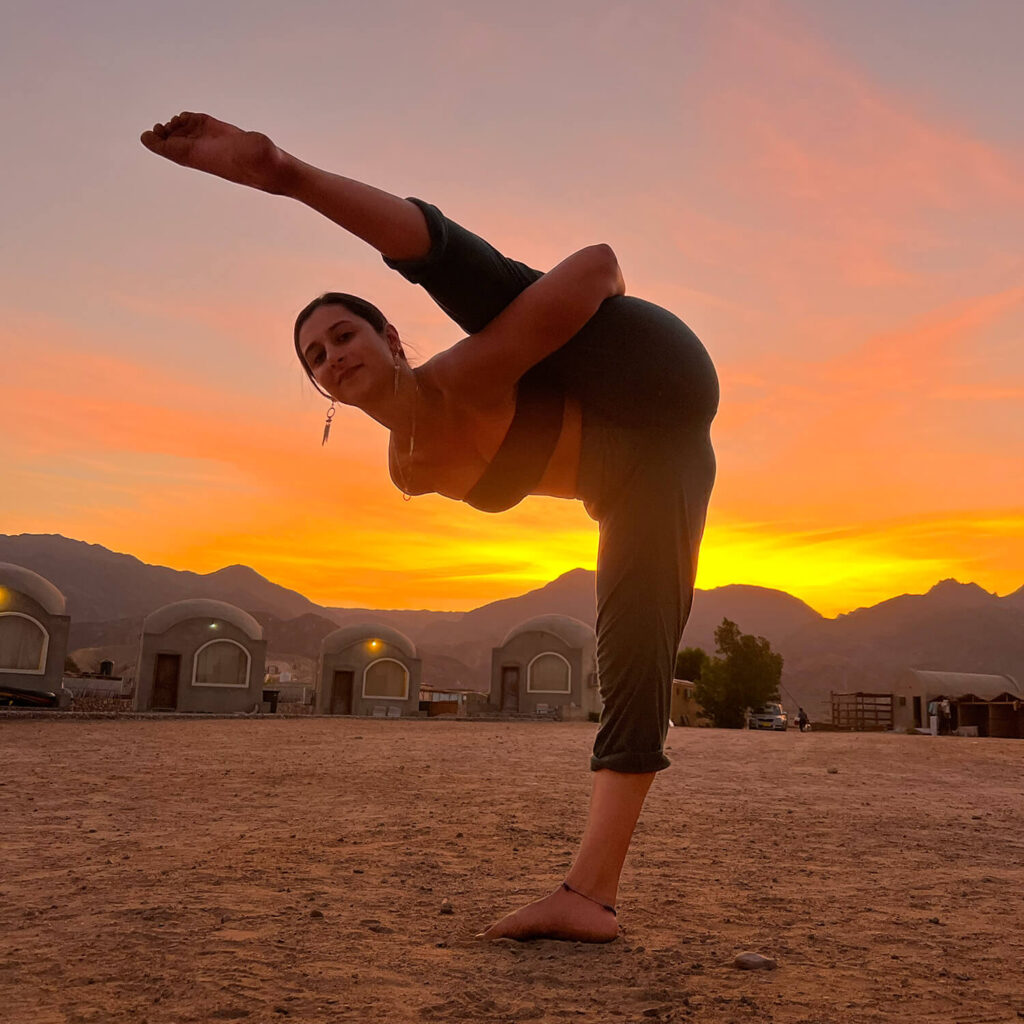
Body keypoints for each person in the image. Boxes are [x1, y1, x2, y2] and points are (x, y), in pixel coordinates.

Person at [141, 112, 719, 943]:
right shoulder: (409, 471)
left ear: (389, 338)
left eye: (344, 333)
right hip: (645, 473)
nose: (332, 354)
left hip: (652, 373)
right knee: (633, 657)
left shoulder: (467, 377)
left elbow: (596, 265)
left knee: (486, 292)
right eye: (315, 355)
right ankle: (587, 896)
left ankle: (287, 173)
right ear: (320, 388)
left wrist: (279, 172)